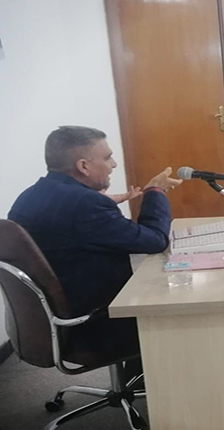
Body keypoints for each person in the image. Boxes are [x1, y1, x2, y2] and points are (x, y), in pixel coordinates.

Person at [8, 126, 181, 374]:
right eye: (107, 157)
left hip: (49, 323)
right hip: (94, 325)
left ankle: (139, 376)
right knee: (185, 307)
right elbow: (154, 241)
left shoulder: (30, 196)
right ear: (83, 166)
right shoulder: (84, 204)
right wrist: (155, 192)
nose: (114, 165)